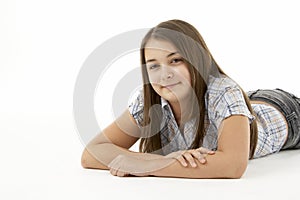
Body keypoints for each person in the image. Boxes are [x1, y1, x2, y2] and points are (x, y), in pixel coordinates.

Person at [81, 19, 300, 178]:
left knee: (227, 97)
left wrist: (144, 166)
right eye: (154, 65)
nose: (165, 74)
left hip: (286, 113)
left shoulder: (224, 92)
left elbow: (233, 165)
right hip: (245, 104)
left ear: (197, 60)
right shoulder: (148, 100)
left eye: (175, 60)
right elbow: (92, 153)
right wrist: (164, 160)